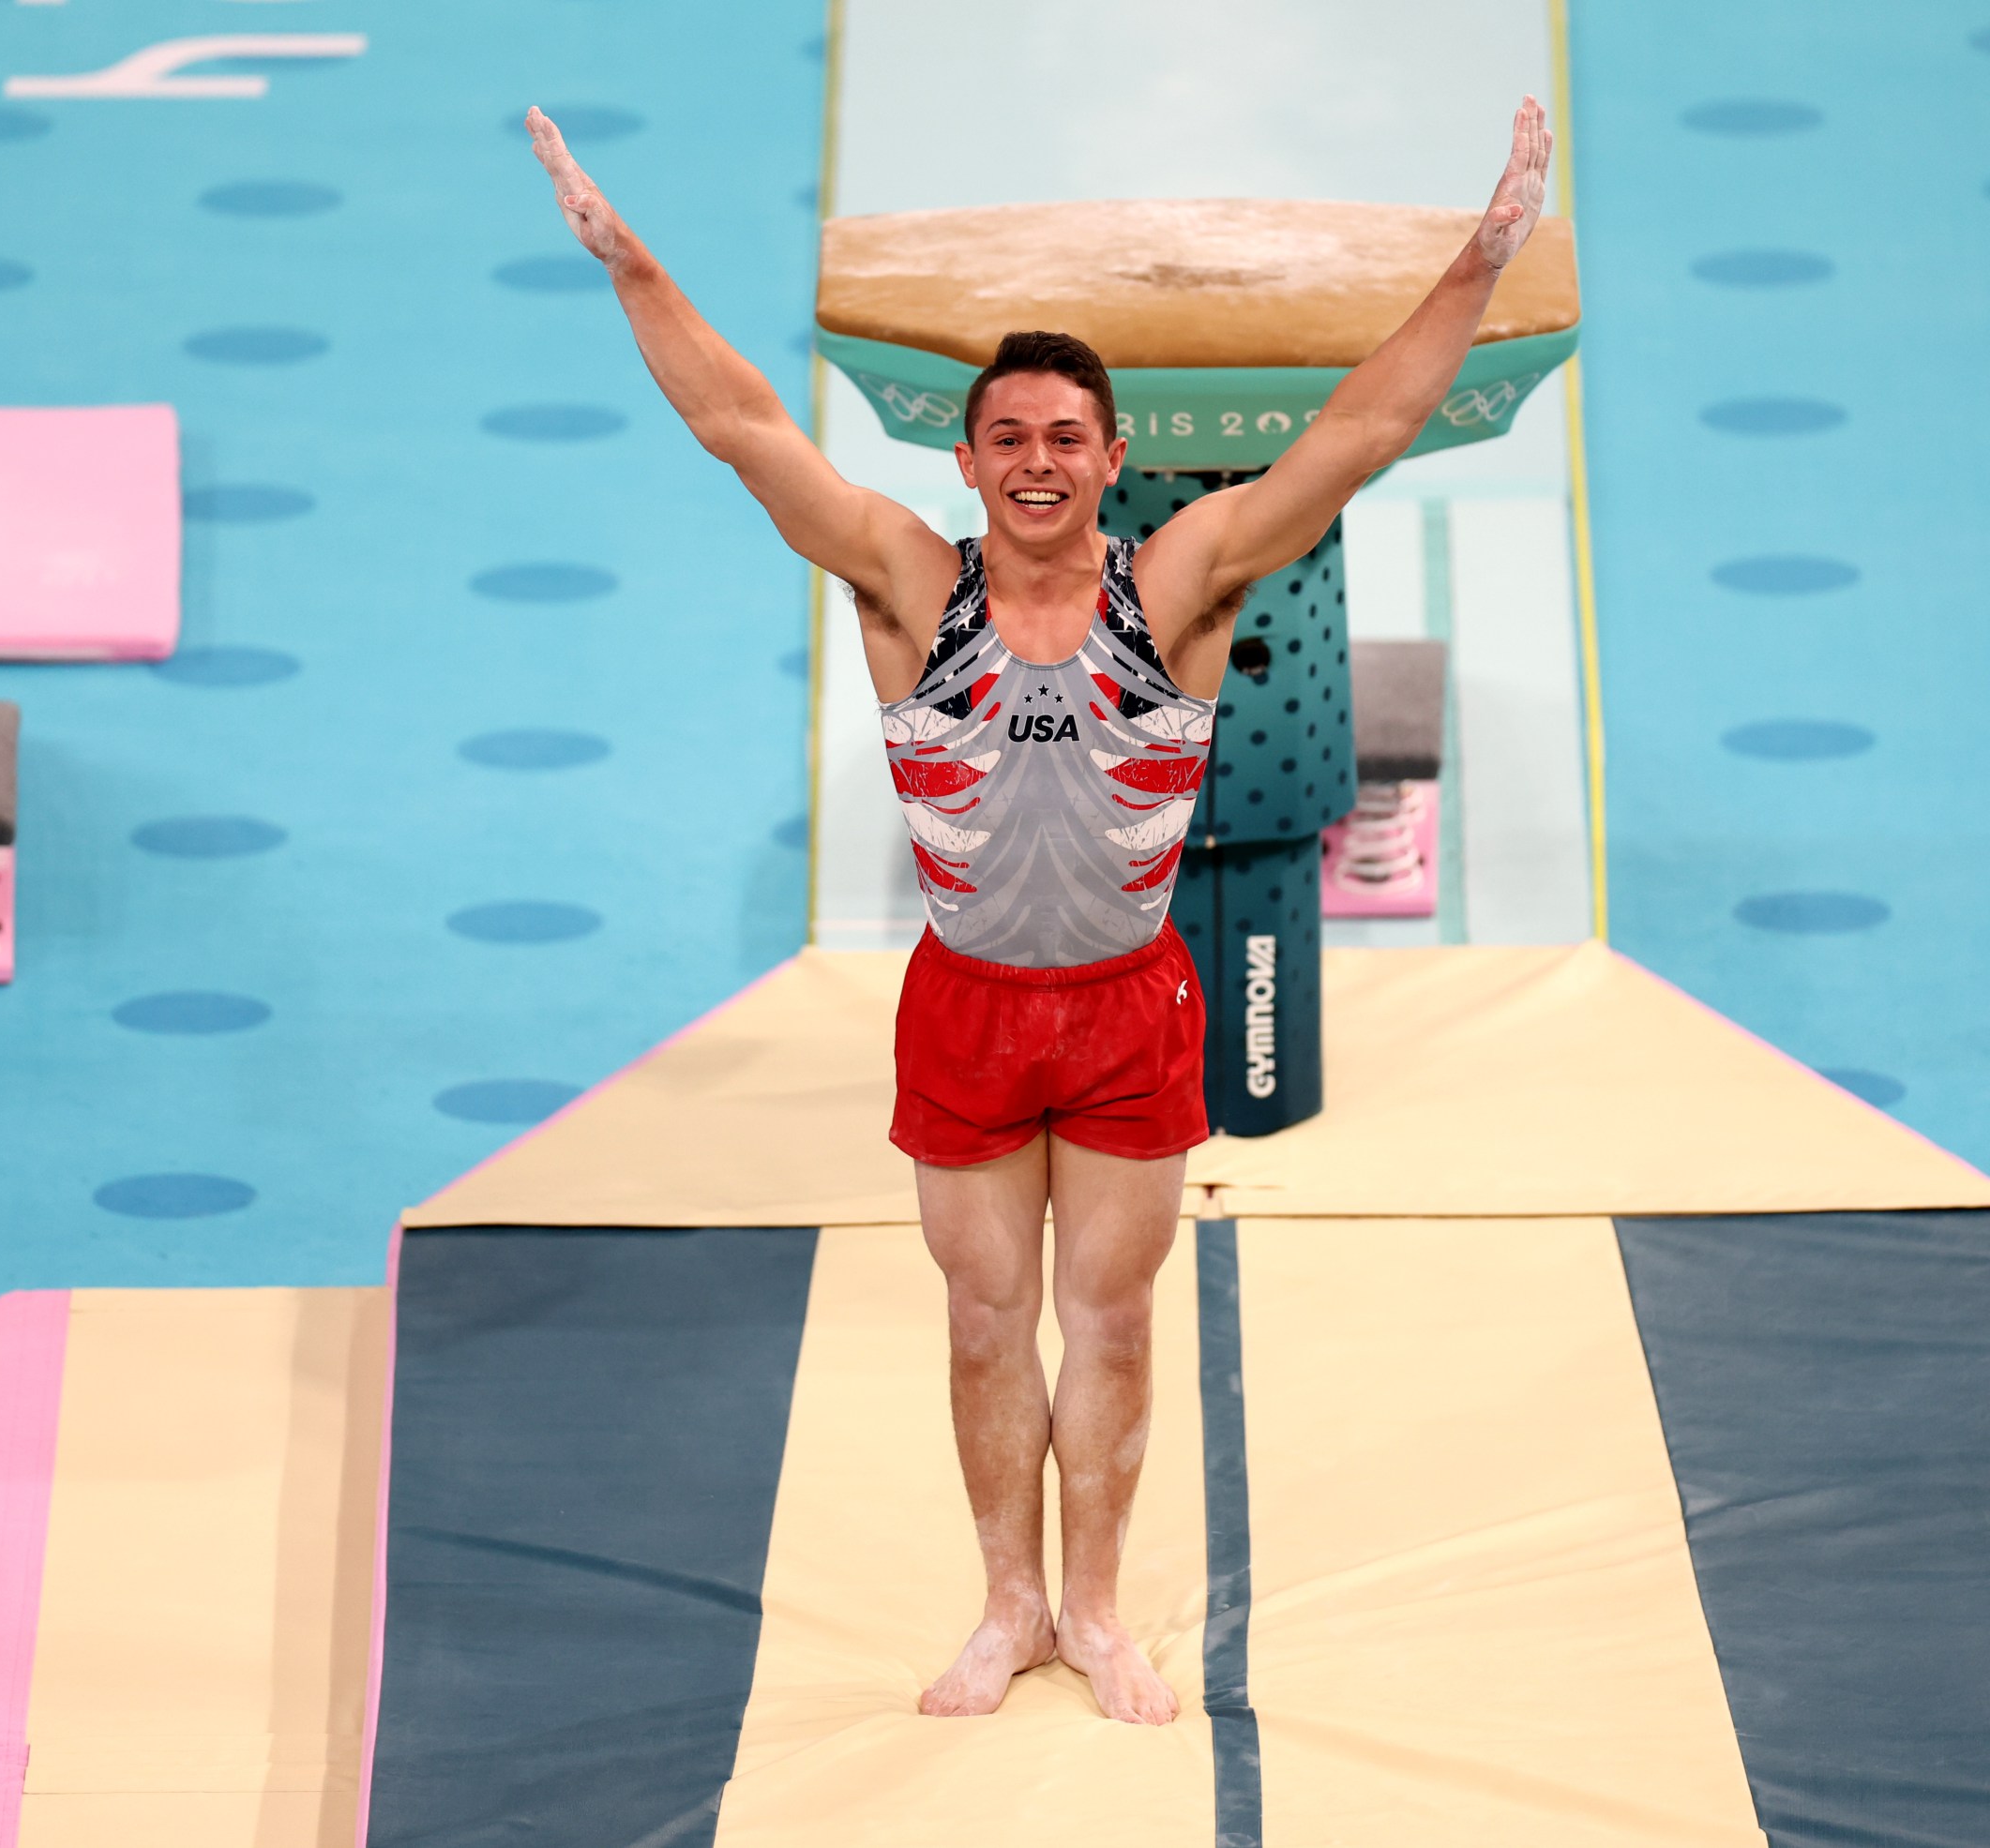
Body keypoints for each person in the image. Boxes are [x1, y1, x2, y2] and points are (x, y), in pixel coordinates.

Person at [523, 96, 1553, 1725]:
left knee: (1114, 1321)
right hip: (969, 1006)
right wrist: (631, 262)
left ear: (1114, 458)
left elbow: (1357, 434)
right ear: (966, 458)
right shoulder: (907, 589)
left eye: (1066, 437)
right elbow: (737, 424)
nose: (1036, 462)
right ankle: (1007, 1606)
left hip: (1131, 1003)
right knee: (988, 1317)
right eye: (1006, 437)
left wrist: (1480, 257)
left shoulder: (1190, 577)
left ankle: (1097, 1605)